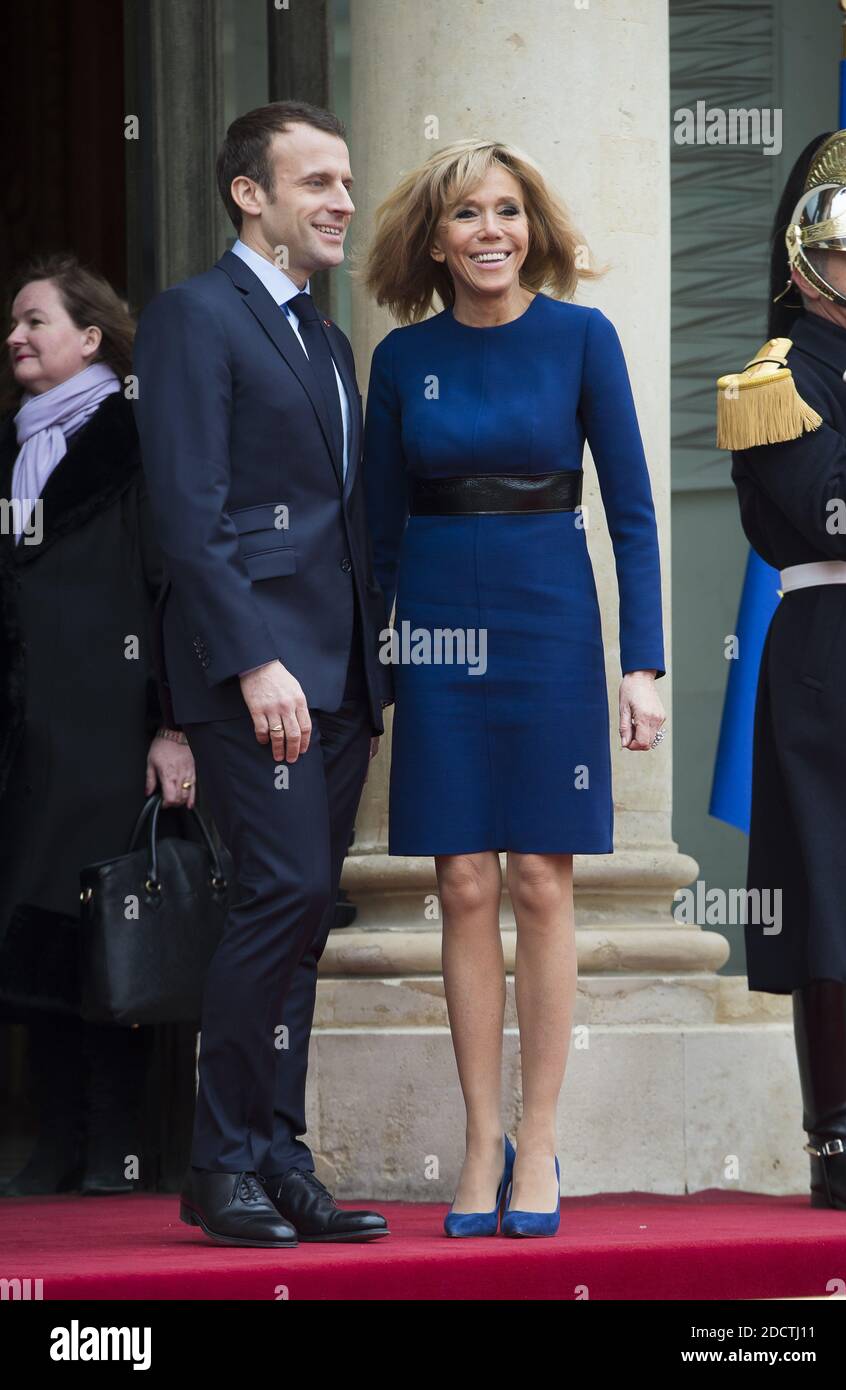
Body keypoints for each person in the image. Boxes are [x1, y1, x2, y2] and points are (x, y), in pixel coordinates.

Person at [362, 140, 666, 1237]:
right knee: (462, 880)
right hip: (439, 623)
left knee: (540, 875)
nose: (488, 231)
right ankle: (478, 1141)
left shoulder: (583, 339)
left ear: (529, 225)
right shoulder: (401, 361)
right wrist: (371, 665)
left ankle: (538, 1141)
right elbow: (374, 534)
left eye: (504, 211)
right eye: (464, 215)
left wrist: (642, 665)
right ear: (433, 239)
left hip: (547, 615)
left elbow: (630, 513)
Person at [133, 101, 393, 1247]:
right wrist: (255, 665)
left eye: (345, 182)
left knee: (300, 920)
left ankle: (276, 1154)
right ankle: (219, 1158)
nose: (343, 201)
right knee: (278, 895)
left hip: (339, 683)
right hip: (259, 681)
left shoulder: (328, 342)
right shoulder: (195, 317)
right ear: (251, 194)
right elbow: (191, 521)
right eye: (318, 182)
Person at [0, 253, 196, 1195]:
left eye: (35, 320)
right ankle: (57, 1138)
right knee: (34, 929)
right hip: (31, 733)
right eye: (13, 324)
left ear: (90, 338)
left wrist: (173, 725)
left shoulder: (138, 439)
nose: (17, 337)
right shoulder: (11, 451)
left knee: (113, 925)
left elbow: (170, 588)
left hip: (115, 725)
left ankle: (121, 1144)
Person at [718, 113, 846, 1209]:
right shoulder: (773, 374)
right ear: (807, 259)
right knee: (827, 892)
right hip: (832, 649)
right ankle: (840, 1137)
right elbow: (825, 512)